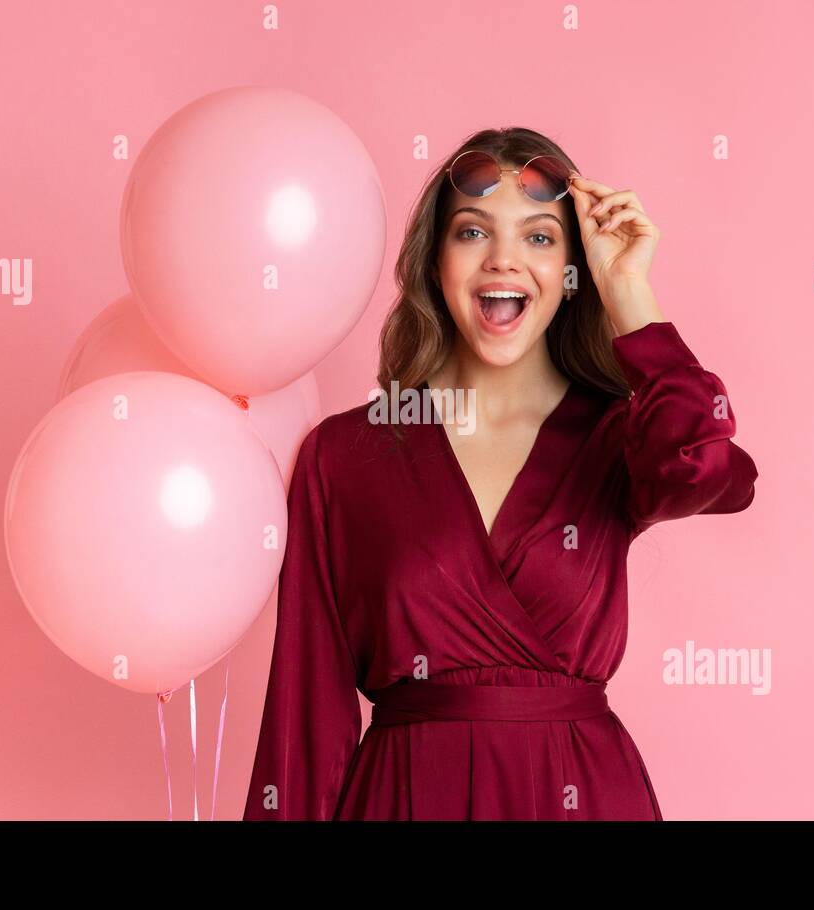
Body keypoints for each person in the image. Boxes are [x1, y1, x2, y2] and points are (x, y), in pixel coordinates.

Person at [243, 127, 758, 820]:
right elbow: (303, 722)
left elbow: (706, 464)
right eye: (472, 233)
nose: (504, 261)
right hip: (403, 799)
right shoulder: (344, 456)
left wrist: (629, 291)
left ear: (575, 271)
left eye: (541, 238)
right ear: (435, 263)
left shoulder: (615, 438)